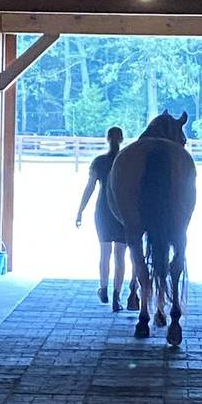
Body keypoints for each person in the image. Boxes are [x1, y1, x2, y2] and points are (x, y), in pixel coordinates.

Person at [76, 126, 129, 312]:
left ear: (107, 139)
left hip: (103, 210)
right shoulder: (127, 160)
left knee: (104, 252)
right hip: (122, 211)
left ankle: (103, 287)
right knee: (120, 256)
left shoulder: (98, 162)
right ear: (122, 139)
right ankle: (117, 295)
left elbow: (89, 187)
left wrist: (80, 210)